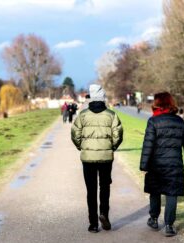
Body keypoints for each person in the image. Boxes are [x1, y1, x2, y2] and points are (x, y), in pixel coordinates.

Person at [140, 92, 184, 237]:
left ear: (157, 104)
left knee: (155, 191)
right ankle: (169, 226)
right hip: (174, 164)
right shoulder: (179, 122)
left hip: (156, 164)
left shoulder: (153, 121)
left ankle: (153, 218)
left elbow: (148, 145)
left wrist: (144, 165)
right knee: (172, 194)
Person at [71, 84, 123, 233]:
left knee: (91, 190)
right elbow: (118, 135)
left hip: (88, 158)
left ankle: (93, 224)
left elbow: (75, 133)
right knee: (105, 187)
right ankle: (104, 214)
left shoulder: (82, 115)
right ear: (103, 97)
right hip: (106, 157)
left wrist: (82, 147)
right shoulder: (111, 115)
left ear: (90, 97)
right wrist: (111, 147)